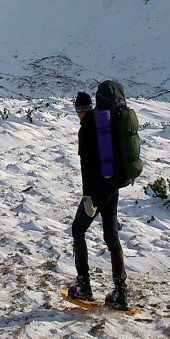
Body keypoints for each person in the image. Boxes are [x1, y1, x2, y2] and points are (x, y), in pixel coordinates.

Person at [67, 90, 131, 309]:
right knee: (112, 238)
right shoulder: (106, 122)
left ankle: (84, 285)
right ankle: (120, 292)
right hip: (112, 189)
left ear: (78, 110)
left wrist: (87, 197)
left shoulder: (86, 129)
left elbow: (86, 166)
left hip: (95, 193)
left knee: (78, 230)